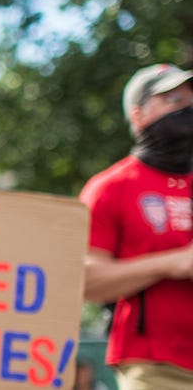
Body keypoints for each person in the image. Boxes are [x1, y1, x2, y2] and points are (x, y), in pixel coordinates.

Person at [79, 63, 193, 389]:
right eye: (173, 101)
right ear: (139, 115)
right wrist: (173, 263)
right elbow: (86, 281)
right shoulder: (111, 187)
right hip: (157, 366)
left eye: (190, 102)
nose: (186, 111)